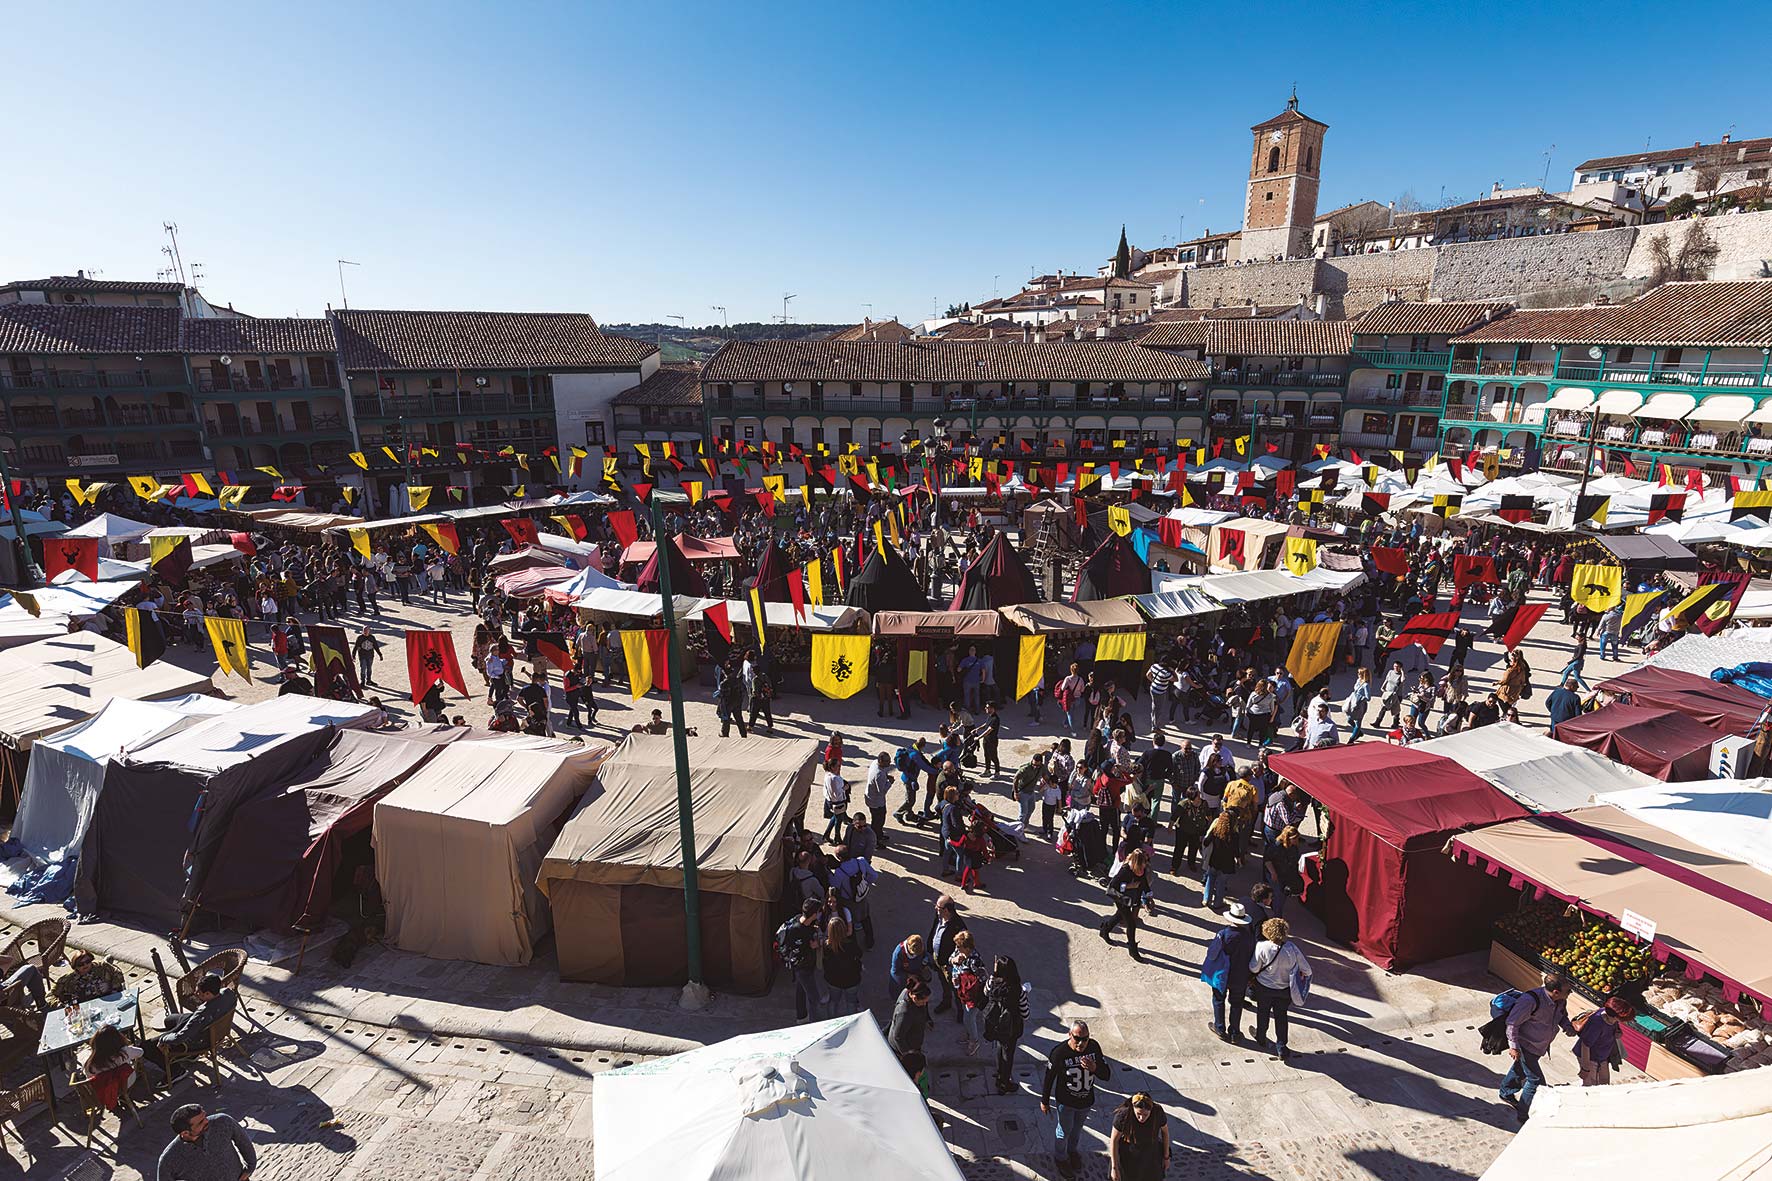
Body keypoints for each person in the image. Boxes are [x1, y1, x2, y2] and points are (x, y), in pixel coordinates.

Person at [1500, 971, 1576, 1122]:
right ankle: (1523, 1114)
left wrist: (1567, 1026)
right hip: (1525, 1044)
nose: (1570, 993)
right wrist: (1514, 1047)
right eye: (1568, 990)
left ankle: (1506, 1091)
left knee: (1521, 1068)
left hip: (1540, 1044)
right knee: (1535, 1081)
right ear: (1556, 991)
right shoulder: (1530, 1001)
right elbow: (1512, 1023)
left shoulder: (1561, 1000)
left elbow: (1562, 1016)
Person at [1041, 1020, 1111, 1179]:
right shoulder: (1059, 1053)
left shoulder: (1093, 1047)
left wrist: (1095, 1068)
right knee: (1064, 1130)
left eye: (1085, 1039)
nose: (1081, 1043)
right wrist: (1044, 1100)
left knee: (1076, 1130)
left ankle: (1072, 1151)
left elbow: (1106, 1075)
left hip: (1086, 1101)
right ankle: (1060, 1157)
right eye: (1077, 1038)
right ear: (1069, 1035)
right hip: (1066, 1102)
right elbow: (1049, 1078)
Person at [154, 973, 237, 1083]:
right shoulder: (228, 993)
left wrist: (163, 1039)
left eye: (199, 992)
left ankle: (177, 1069)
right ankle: (189, 1056)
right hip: (218, 1030)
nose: (196, 993)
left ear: (208, 993)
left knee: (151, 1046)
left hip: (201, 1040)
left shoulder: (203, 1012)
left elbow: (180, 1037)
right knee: (170, 1020)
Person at [1250, 917, 1311, 1063]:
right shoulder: (1292, 948)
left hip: (1264, 988)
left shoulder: (1261, 947)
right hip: (1284, 990)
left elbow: (1253, 967)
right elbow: (1307, 970)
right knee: (1281, 1017)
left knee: (1263, 1012)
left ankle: (1261, 1037)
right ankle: (1282, 1046)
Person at [1199, 900, 1258, 1043]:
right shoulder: (1250, 937)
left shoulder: (1223, 934)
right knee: (1237, 1003)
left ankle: (1220, 1028)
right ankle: (1234, 1032)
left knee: (1219, 999)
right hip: (1241, 975)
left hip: (1222, 974)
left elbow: (1212, 953)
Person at [157, 1104, 257, 1181]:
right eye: (200, 1122)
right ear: (185, 1133)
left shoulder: (222, 1122)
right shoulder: (169, 1159)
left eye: (205, 1116)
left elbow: (243, 1142)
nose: (206, 1121)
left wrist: (250, 1168)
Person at [980, 954, 1030, 1094]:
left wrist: (993, 974)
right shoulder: (1017, 989)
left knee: (999, 1048)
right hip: (1010, 1027)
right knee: (1008, 1054)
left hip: (995, 1023)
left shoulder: (992, 982)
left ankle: (999, 1072)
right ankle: (1004, 1082)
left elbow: (985, 992)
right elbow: (1025, 1013)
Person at [776, 898, 825, 1024]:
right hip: (803, 968)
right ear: (814, 914)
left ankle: (801, 1016)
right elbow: (797, 951)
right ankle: (817, 1024)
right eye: (819, 912)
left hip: (803, 966)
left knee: (801, 989)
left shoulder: (799, 918)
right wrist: (812, 946)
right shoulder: (798, 930)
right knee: (814, 999)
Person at [75, 1024, 143, 1113]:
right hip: (125, 1083)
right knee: (128, 1069)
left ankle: (113, 1096)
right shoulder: (124, 1052)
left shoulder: (91, 1063)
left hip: (104, 1088)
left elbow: (88, 1075)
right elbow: (141, 1052)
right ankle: (122, 1095)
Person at [1099, 848, 1152, 961]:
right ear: (1137, 862)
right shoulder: (1125, 870)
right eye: (1143, 862)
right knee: (1131, 924)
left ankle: (1105, 930)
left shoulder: (1141, 869)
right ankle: (1133, 950)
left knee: (1119, 916)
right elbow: (1113, 885)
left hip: (1132, 898)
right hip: (1122, 899)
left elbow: (1143, 882)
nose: (1145, 864)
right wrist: (1128, 886)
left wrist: (1149, 894)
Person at [1109, 1092, 1170, 1181]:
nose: (1141, 1118)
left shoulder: (1157, 1112)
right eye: (1138, 1114)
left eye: (1145, 1115)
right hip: (1128, 1156)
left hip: (1151, 1155)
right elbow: (1114, 1140)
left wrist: (1166, 1157)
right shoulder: (1123, 1116)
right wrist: (1114, 1168)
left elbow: (1165, 1133)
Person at [1573, 997, 1635, 1086]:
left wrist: (1618, 1033)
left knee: (1604, 1084)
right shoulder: (1597, 1024)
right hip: (1590, 1058)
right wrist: (1585, 1068)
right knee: (1592, 1087)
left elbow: (1615, 1029)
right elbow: (1585, 1045)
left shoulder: (1609, 1015)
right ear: (1616, 1016)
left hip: (1602, 1057)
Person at [929, 895, 968, 1017]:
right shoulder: (939, 916)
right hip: (938, 958)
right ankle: (946, 1002)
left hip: (950, 964)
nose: (935, 908)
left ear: (946, 910)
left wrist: (955, 960)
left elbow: (965, 948)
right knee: (943, 983)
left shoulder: (958, 926)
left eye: (938, 907)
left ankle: (961, 1011)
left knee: (956, 988)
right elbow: (934, 932)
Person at [948, 929, 986, 1055]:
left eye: (959, 947)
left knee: (969, 1018)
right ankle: (969, 1034)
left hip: (972, 996)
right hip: (962, 991)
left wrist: (965, 980)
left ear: (967, 947)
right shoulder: (958, 952)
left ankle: (974, 1041)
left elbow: (982, 978)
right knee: (966, 1016)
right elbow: (950, 959)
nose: (957, 949)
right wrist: (954, 960)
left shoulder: (974, 960)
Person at [822, 913, 864, 1018]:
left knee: (833, 1002)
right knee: (851, 1003)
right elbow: (859, 954)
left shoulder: (827, 946)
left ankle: (831, 1023)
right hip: (851, 979)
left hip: (833, 980)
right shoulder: (851, 944)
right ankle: (851, 1025)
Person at [52, 950, 126, 1007]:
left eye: (87, 961)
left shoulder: (102, 967)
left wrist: (111, 987)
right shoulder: (67, 979)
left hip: (107, 1001)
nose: (85, 965)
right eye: (81, 964)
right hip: (84, 1008)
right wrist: (61, 1006)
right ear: (75, 966)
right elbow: (50, 996)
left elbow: (117, 973)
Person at [1200, 811, 1241, 911]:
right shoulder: (1234, 834)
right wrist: (1239, 859)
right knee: (1221, 884)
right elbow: (1236, 850)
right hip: (1226, 863)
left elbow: (1206, 842)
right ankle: (1218, 903)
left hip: (1214, 860)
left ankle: (1206, 899)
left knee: (1210, 879)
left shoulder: (1216, 830)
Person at [888, 979, 932, 1058]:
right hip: (905, 1049)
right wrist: (909, 1056)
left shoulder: (908, 991)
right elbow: (898, 1037)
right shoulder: (905, 1013)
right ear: (914, 998)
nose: (925, 1004)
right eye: (923, 1002)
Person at [888, 933, 930, 1000]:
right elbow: (895, 971)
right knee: (902, 997)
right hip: (902, 980)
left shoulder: (920, 945)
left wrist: (926, 964)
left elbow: (925, 955)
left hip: (916, 975)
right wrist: (909, 976)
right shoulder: (898, 953)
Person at [821, 762, 850, 844]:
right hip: (837, 802)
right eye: (837, 765)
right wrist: (845, 788)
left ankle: (827, 834)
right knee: (838, 820)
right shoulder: (834, 778)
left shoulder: (828, 775)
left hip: (831, 801)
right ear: (832, 767)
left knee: (835, 817)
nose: (839, 767)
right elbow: (836, 793)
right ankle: (837, 837)